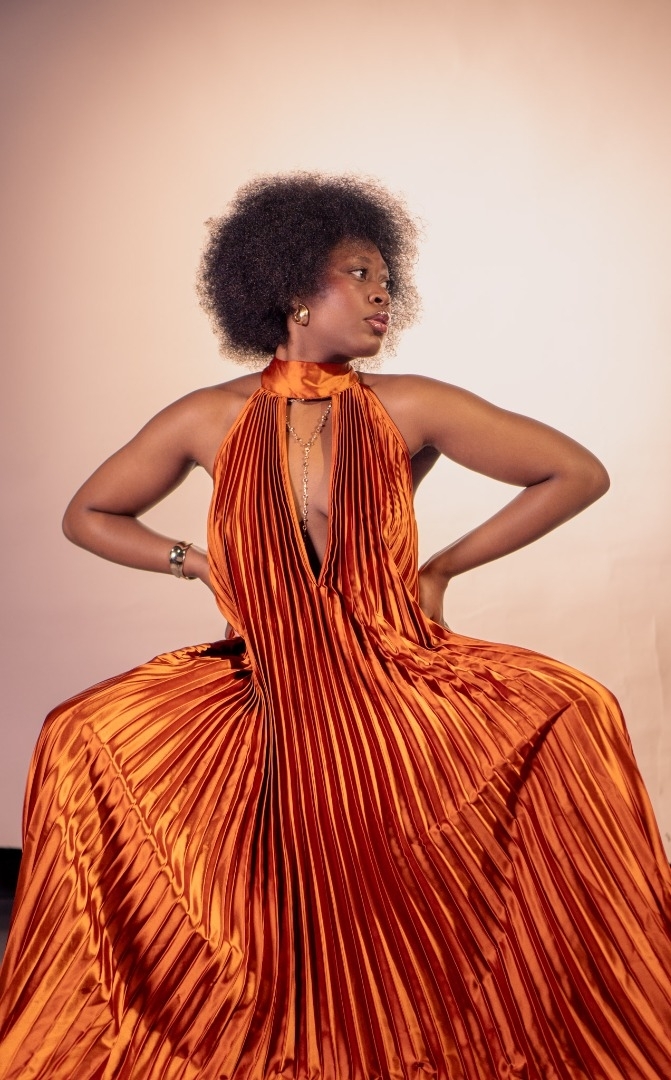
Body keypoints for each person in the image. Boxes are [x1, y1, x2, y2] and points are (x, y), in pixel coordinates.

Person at [0, 173, 669, 1080]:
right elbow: (89, 514)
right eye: (359, 274)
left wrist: (438, 570)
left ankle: (527, 1002)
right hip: (266, 687)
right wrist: (196, 561)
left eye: (387, 278)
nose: (382, 294)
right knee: (78, 734)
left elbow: (574, 473)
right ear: (288, 290)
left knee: (575, 706)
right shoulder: (208, 417)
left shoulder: (408, 405)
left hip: (391, 674)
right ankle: (146, 1009)